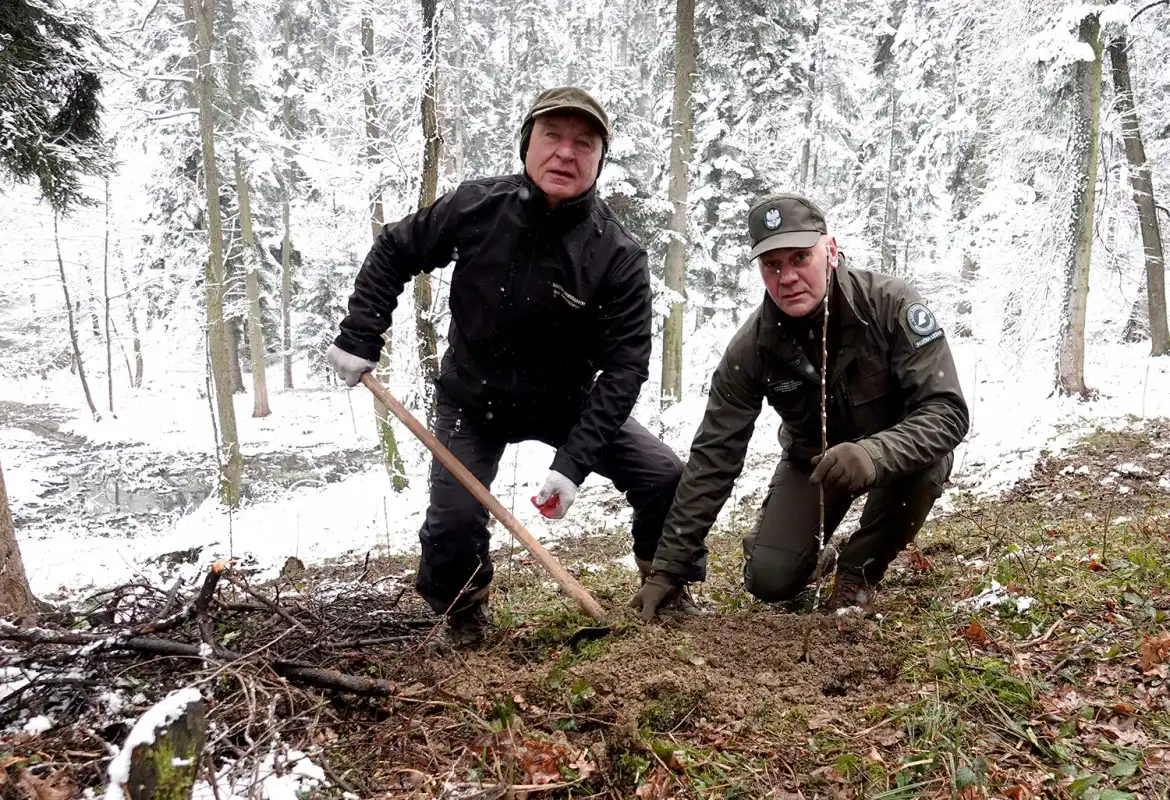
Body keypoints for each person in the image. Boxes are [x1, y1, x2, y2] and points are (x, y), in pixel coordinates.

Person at [327, 86, 687, 646]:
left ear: (599, 161)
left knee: (663, 475)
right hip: (473, 397)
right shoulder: (477, 206)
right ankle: (463, 613)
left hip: (566, 402)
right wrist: (359, 335)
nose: (565, 153)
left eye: (583, 143)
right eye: (552, 136)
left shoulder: (617, 254)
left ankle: (664, 589)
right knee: (452, 519)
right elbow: (395, 249)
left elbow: (625, 369)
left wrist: (573, 464)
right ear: (527, 144)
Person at [630, 192, 969, 619]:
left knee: (928, 464)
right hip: (814, 462)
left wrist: (873, 452)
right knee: (770, 581)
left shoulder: (890, 304)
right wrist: (669, 569)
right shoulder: (752, 347)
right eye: (772, 265)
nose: (787, 276)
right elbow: (715, 455)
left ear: (829, 250)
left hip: (897, 456)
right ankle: (807, 555)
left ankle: (857, 573)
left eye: (799, 258)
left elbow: (947, 411)